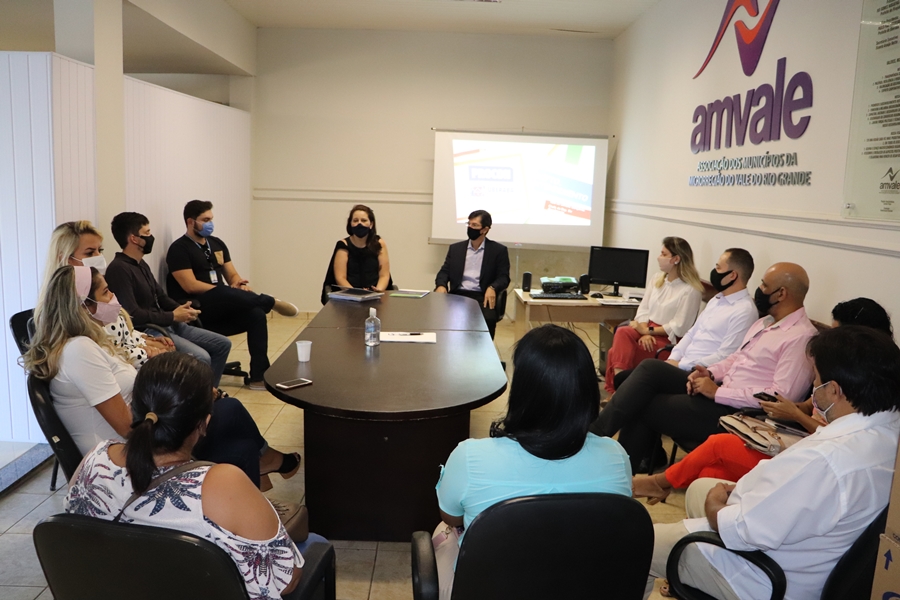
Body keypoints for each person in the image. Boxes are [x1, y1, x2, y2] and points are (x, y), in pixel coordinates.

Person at [646, 325, 900, 600]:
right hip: (808, 555)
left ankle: (689, 570)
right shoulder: (889, 434)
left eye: (815, 378)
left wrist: (714, 506)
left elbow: (742, 530)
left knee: (634, 542)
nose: (813, 387)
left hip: (759, 577)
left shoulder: (826, 460)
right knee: (700, 486)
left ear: (834, 390)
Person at [24, 265, 301, 490]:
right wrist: (187, 413)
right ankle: (264, 469)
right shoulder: (79, 351)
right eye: (107, 292)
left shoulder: (88, 341)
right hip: (126, 458)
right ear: (84, 306)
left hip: (139, 439)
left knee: (239, 441)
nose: (114, 298)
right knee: (230, 413)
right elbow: (126, 427)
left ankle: (256, 489)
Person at [64, 353, 305, 599]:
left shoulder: (95, 459)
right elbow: (286, 580)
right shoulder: (224, 483)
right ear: (204, 423)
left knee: (241, 449)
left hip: (116, 589)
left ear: (134, 408)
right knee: (312, 544)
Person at [632, 296, 894, 504]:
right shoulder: (838, 375)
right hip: (786, 433)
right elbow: (813, 404)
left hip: (802, 448)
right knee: (708, 476)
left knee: (717, 445)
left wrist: (796, 415)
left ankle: (657, 483)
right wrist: (798, 408)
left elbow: (836, 435)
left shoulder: (865, 387)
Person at [434, 324, 632, 599]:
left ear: (522, 390)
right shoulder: (616, 456)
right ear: (587, 390)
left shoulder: (469, 457)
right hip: (583, 589)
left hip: (495, 590)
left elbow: (451, 517)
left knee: (444, 532)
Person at [592, 262, 817, 473]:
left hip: (739, 415)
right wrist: (709, 373)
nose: (759, 290)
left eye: (764, 285)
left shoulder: (800, 338)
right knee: (651, 369)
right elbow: (736, 358)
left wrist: (717, 392)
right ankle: (595, 437)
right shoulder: (764, 322)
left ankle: (612, 468)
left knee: (644, 402)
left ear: (781, 293)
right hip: (719, 391)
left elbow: (780, 398)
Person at [166, 200, 299, 390]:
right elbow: (190, 285)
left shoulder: (217, 244)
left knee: (256, 315)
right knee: (222, 291)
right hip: (198, 309)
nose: (210, 223)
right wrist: (224, 291)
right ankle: (269, 301)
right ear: (190, 221)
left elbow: (232, 275)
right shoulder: (179, 249)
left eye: (211, 219)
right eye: (205, 220)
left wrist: (238, 284)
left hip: (221, 304)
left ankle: (258, 377)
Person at [105, 211, 232, 387]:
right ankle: (197, 399)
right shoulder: (119, 269)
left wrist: (183, 310)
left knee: (223, 344)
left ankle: (210, 392)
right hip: (151, 330)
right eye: (147, 233)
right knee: (201, 357)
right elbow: (133, 314)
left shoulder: (141, 264)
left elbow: (161, 296)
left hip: (167, 324)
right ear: (134, 239)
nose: (151, 237)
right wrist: (172, 316)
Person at [611, 248, 758, 390]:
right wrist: (673, 359)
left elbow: (725, 356)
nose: (714, 272)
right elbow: (691, 334)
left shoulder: (744, 311)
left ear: (732, 275)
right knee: (624, 378)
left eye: (718, 268)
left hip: (696, 373)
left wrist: (682, 364)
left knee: (643, 371)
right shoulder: (717, 300)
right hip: (682, 364)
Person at [604, 237, 703, 394]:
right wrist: (645, 331)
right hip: (647, 328)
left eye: (664, 254)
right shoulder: (657, 279)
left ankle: (620, 391)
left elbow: (680, 326)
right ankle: (621, 387)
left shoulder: (691, 290)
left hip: (668, 338)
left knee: (613, 352)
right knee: (622, 331)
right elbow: (644, 309)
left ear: (676, 259)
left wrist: (648, 332)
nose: (659, 257)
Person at [434, 210, 511, 339]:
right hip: (457, 294)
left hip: (481, 296)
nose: (470, 228)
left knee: (487, 319)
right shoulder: (456, 249)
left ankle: (483, 348)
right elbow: (444, 271)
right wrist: (441, 285)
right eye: (469, 224)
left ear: (485, 229)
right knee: (442, 317)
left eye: (475, 225)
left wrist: (492, 287)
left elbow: (504, 277)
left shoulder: (498, 250)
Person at [321, 204, 392, 303]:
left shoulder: (379, 243)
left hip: (376, 296)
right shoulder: (343, 245)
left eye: (363, 220)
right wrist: (356, 294)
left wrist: (378, 292)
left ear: (371, 224)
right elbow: (340, 278)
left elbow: (384, 275)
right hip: (349, 297)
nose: (359, 224)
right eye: (355, 220)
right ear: (350, 224)